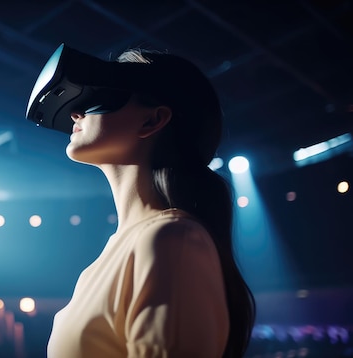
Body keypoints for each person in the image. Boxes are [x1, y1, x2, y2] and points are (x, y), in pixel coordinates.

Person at [32, 47, 256, 357]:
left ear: (152, 120)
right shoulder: (109, 259)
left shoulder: (172, 239)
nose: (74, 112)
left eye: (102, 96)